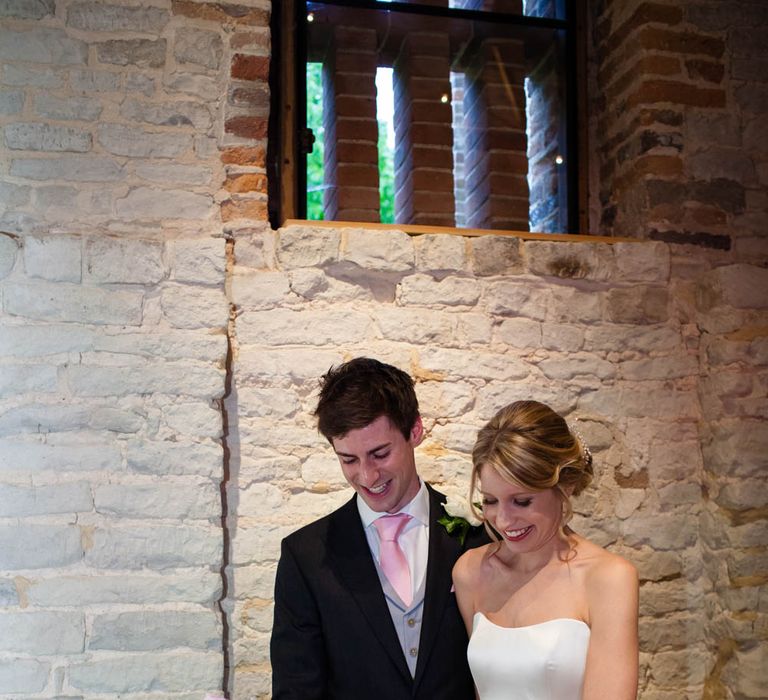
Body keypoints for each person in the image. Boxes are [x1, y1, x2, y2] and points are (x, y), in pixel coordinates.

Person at [270, 357, 487, 699]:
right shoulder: (305, 556)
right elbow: (297, 691)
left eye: (380, 454)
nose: (367, 477)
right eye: (349, 460)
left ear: (415, 431)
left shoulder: (479, 536)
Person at [453, 400, 639, 700]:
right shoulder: (471, 572)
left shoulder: (607, 578)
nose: (503, 520)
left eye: (521, 501)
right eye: (490, 501)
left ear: (564, 487)